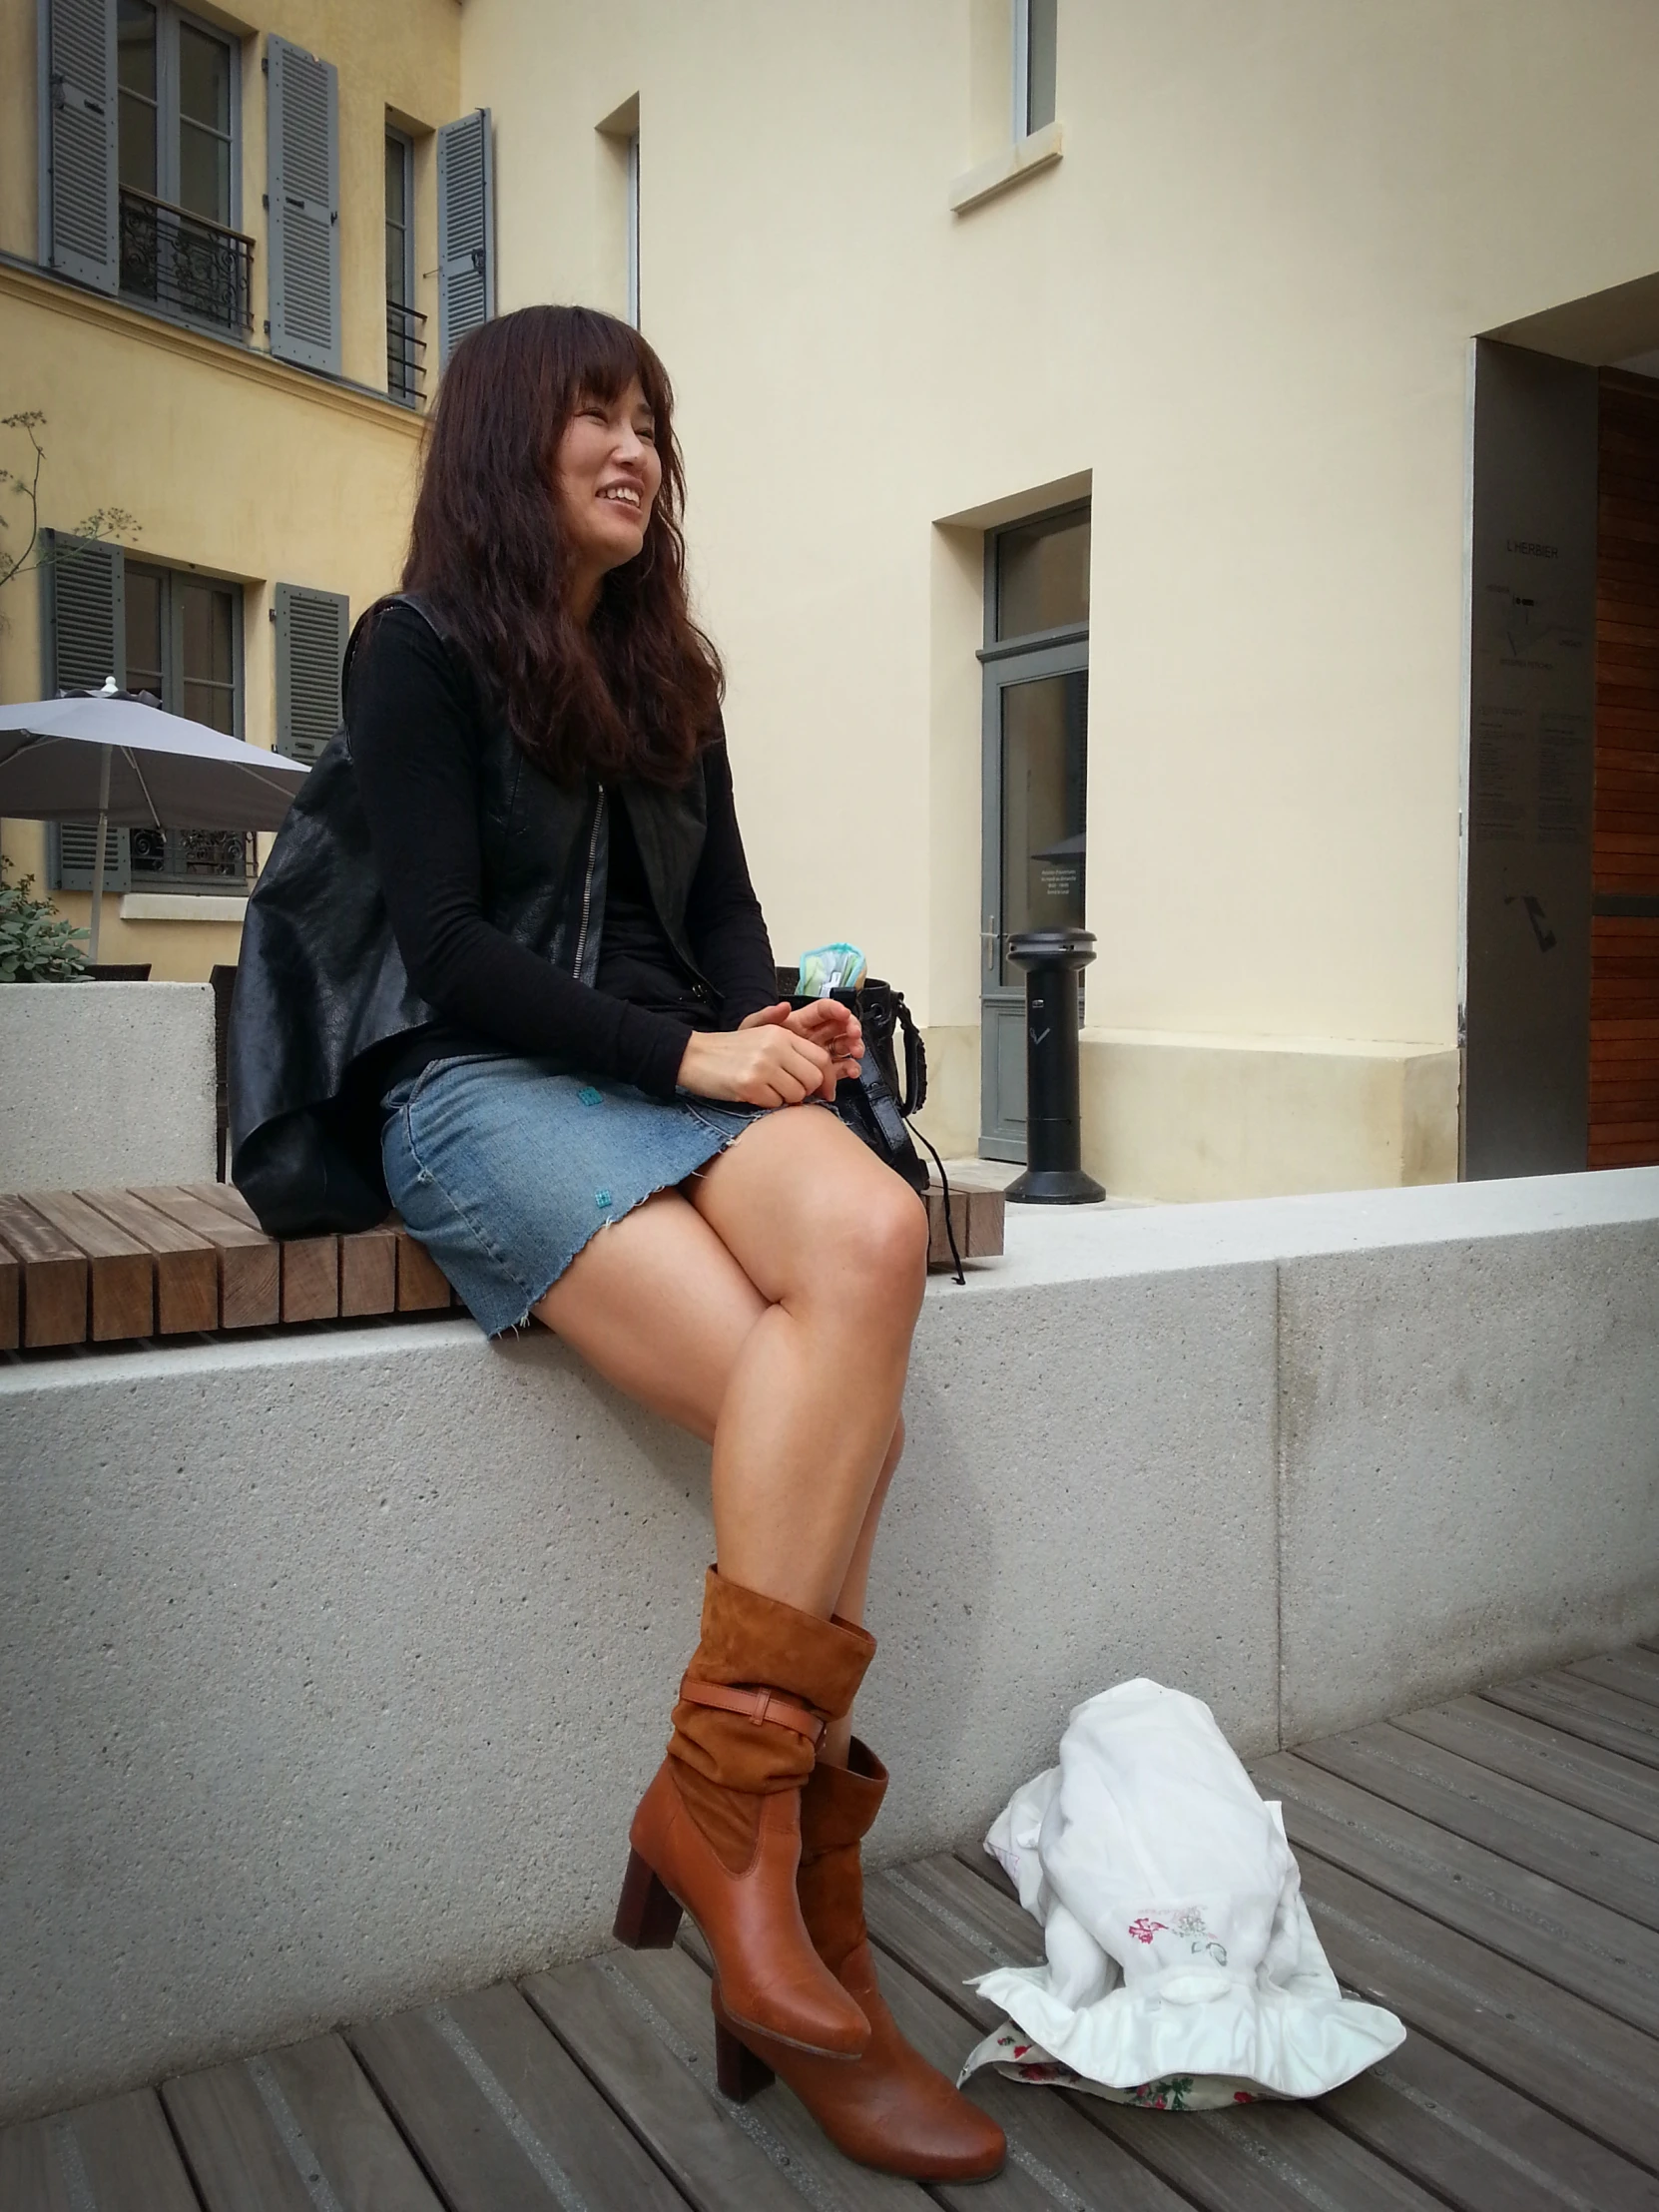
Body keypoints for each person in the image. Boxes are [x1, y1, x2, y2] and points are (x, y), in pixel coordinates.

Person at [228, 304, 1003, 2184]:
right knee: (817, 1413)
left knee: (874, 1239)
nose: (635, 445)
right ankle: (794, 1910)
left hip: (673, 1077)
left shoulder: (675, 681)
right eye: (595, 412)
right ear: (511, 440)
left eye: (651, 416)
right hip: (478, 1087)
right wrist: (692, 1053)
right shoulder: (411, 651)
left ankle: (711, 1819)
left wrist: (785, 1041)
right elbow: (445, 948)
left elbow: (724, 916)